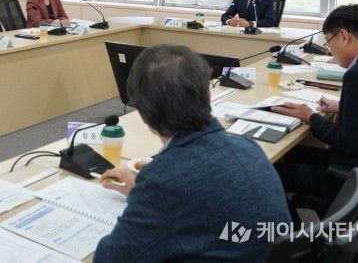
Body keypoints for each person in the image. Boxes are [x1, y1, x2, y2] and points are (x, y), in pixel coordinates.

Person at [94, 45, 290, 263]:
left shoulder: (164, 180)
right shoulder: (248, 147)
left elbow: (109, 258)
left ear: (142, 113)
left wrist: (149, 194)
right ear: (208, 94)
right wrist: (141, 191)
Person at [272, 5, 358, 206]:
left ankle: (290, 225)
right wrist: (342, 106)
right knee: (292, 153)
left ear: (344, 36)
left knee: (269, 171)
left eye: (329, 41)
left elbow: (349, 143)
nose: (330, 49)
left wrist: (311, 116)